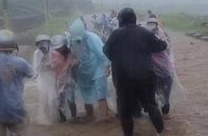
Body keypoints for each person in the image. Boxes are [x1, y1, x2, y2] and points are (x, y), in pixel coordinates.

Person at [103, 8, 167, 136]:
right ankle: (161, 132)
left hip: (122, 79)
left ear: (120, 20)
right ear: (134, 19)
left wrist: (119, 61)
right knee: (151, 106)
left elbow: (106, 51)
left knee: (125, 110)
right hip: (145, 76)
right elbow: (160, 46)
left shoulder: (115, 34)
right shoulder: (143, 32)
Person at [69, 18, 111, 122]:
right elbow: (71, 54)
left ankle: (104, 117)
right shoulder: (70, 39)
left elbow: (103, 53)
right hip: (83, 71)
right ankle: (90, 116)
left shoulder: (92, 38)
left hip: (97, 68)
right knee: (86, 93)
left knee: (101, 93)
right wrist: (73, 62)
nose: (78, 40)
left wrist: (106, 67)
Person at [146, 18, 174, 116]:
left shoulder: (151, 37)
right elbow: (168, 50)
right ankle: (163, 112)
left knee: (160, 92)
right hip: (161, 69)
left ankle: (163, 111)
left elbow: (168, 49)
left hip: (161, 69)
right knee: (161, 92)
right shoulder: (161, 38)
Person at [32, 34, 59, 125]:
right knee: (43, 97)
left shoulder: (53, 51)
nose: (42, 46)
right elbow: (35, 67)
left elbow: (57, 64)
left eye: (44, 43)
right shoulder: (37, 53)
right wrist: (42, 63)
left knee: (52, 97)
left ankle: (55, 117)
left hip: (51, 76)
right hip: (42, 77)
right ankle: (45, 118)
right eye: (40, 44)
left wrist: (51, 66)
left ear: (48, 43)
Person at [50, 34, 78, 122]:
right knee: (60, 98)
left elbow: (77, 61)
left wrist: (73, 63)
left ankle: (74, 117)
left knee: (71, 98)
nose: (59, 49)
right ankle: (62, 119)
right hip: (60, 79)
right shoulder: (54, 54)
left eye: (60, 47)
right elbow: (52, 66)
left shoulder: (71, 52)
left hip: (70, 78)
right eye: (57, 48)